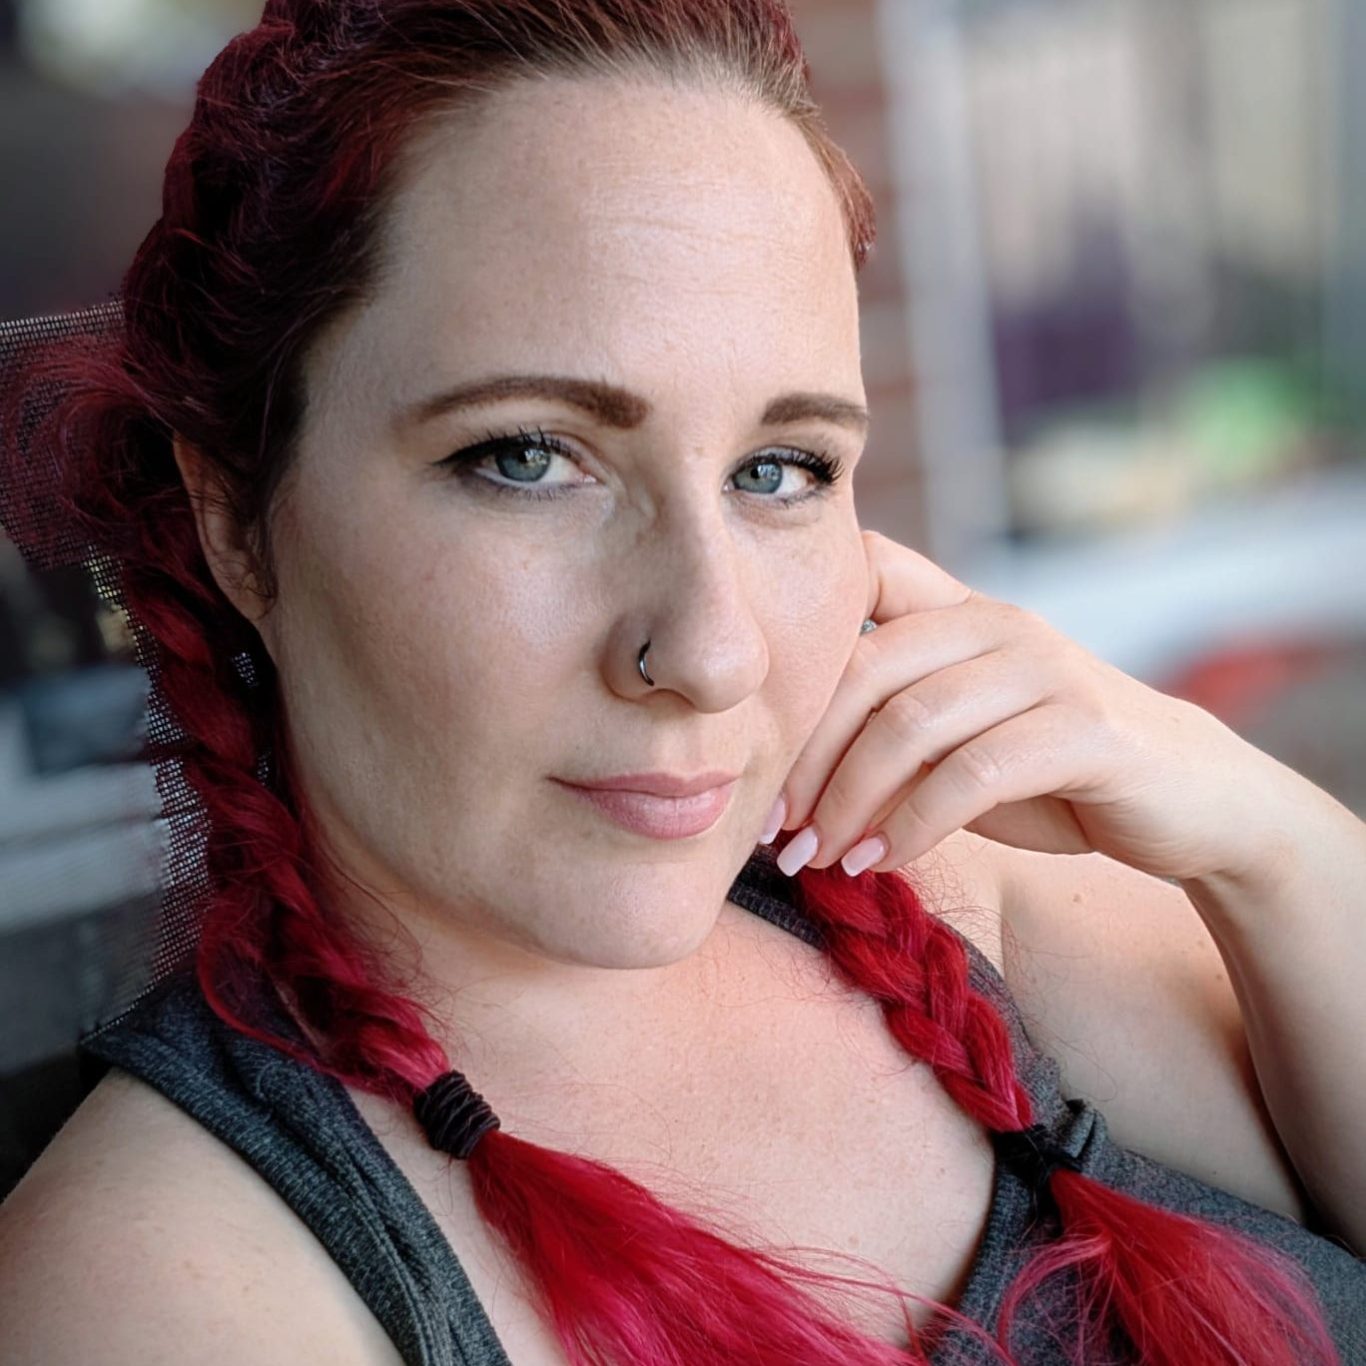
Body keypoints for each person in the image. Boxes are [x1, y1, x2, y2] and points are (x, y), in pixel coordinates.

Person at [0, 2, 1363, 1363]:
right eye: (526, 457)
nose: (712, 652)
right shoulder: (166, 1286)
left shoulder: (955, 900)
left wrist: (1269, 842)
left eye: (780, 469)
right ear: (239, 522)